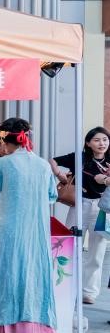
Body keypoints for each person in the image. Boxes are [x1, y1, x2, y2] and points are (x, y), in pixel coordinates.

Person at [0, 118, 57, 333]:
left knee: (9, 275)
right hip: (37, 229)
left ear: (5, 140)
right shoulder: (43, 165)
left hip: (9, 228)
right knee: (36, 276)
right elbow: (51, 196)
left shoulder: (2, 164)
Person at [50, 126, 110, 305]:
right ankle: (66, 286)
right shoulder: (79, 157)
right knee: (71, 245)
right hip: (80, 204)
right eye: (97, 140)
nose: (102, 143)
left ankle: (89, 292)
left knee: (97, 252)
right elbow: (52, 160)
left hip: (102, 209)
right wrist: (59, 174)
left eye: (105, 140)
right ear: (88, 143)